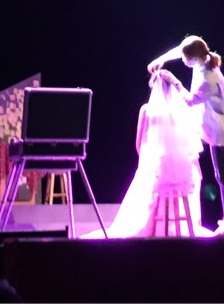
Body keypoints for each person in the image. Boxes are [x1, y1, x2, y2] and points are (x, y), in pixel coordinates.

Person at [81, 69, 214, 238]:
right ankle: (179, 225)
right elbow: (191, 142)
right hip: (183, 172)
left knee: (147, 178)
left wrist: (147, 159)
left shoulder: (147, 110)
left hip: (157, 170)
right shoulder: (182, 111)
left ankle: (151, 224)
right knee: (176, 180)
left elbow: (139, 143)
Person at [147, 35, 224, 237]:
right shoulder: (203, 60)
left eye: (186, 58)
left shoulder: (208, 77)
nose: (183, 61)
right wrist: (160, 60)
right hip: (218, 129)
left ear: (194, 57)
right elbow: (179, 50)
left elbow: (190, 100)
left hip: (223, 131)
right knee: (221, 177)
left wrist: (174, 81)